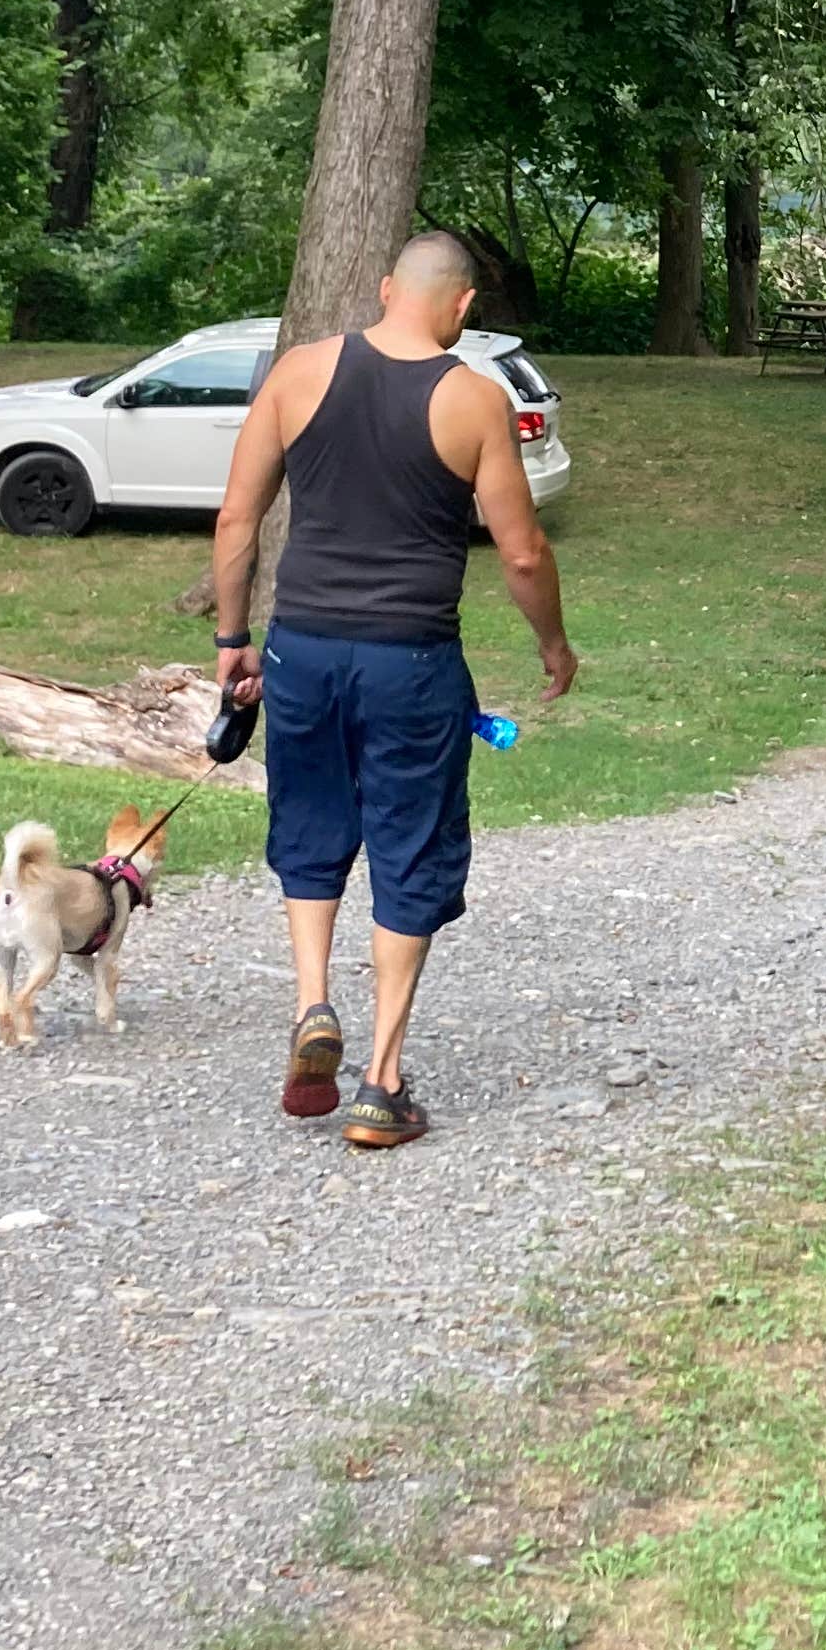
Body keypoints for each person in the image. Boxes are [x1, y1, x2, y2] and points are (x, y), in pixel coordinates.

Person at [209, 231, 577, 1148]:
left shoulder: (298, 372)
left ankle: (311, 1006)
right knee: (408, 844)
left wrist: (232, 639)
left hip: (301, 650)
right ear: (460, 308)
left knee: (311, 825)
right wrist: (554, 649)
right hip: (411, 661)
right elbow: (523, 552)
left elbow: (236, 515)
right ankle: (379, 1083)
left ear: (384, 291)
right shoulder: (473, 399)